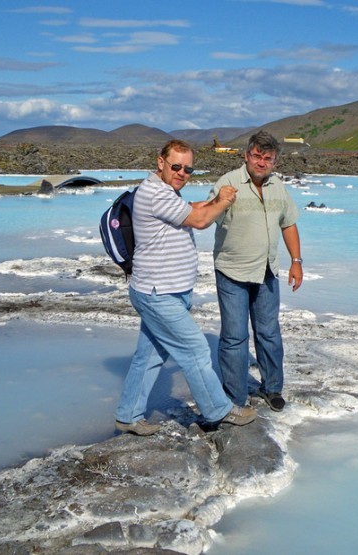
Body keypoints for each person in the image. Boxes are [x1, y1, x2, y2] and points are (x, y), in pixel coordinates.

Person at [114, 139, 257, 436]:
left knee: (150, 356)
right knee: (195, 351)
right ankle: (218, 410)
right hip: (158, 293)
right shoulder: (155, 193)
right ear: (161, 163)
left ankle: (128, 415)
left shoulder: (166, 191)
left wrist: (214, 199)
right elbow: (200, 220)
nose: (182, 173)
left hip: (162, 291)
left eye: (188, 169)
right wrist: (223, 202)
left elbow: (191, 208)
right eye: (176, 166)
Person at [209, 131, 303, 413]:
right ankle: (235, 397)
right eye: (257, 156)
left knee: (269, 333)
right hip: (232, 272)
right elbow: (206, 217)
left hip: (266, 272)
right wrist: (220, 202)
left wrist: (296, 261)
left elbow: (288, 223)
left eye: (268, 158)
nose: (261, 162)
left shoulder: (278, 186)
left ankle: (272, 388)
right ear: (246, 155)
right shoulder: (227, 183)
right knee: (234, 337)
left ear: (275, 162)